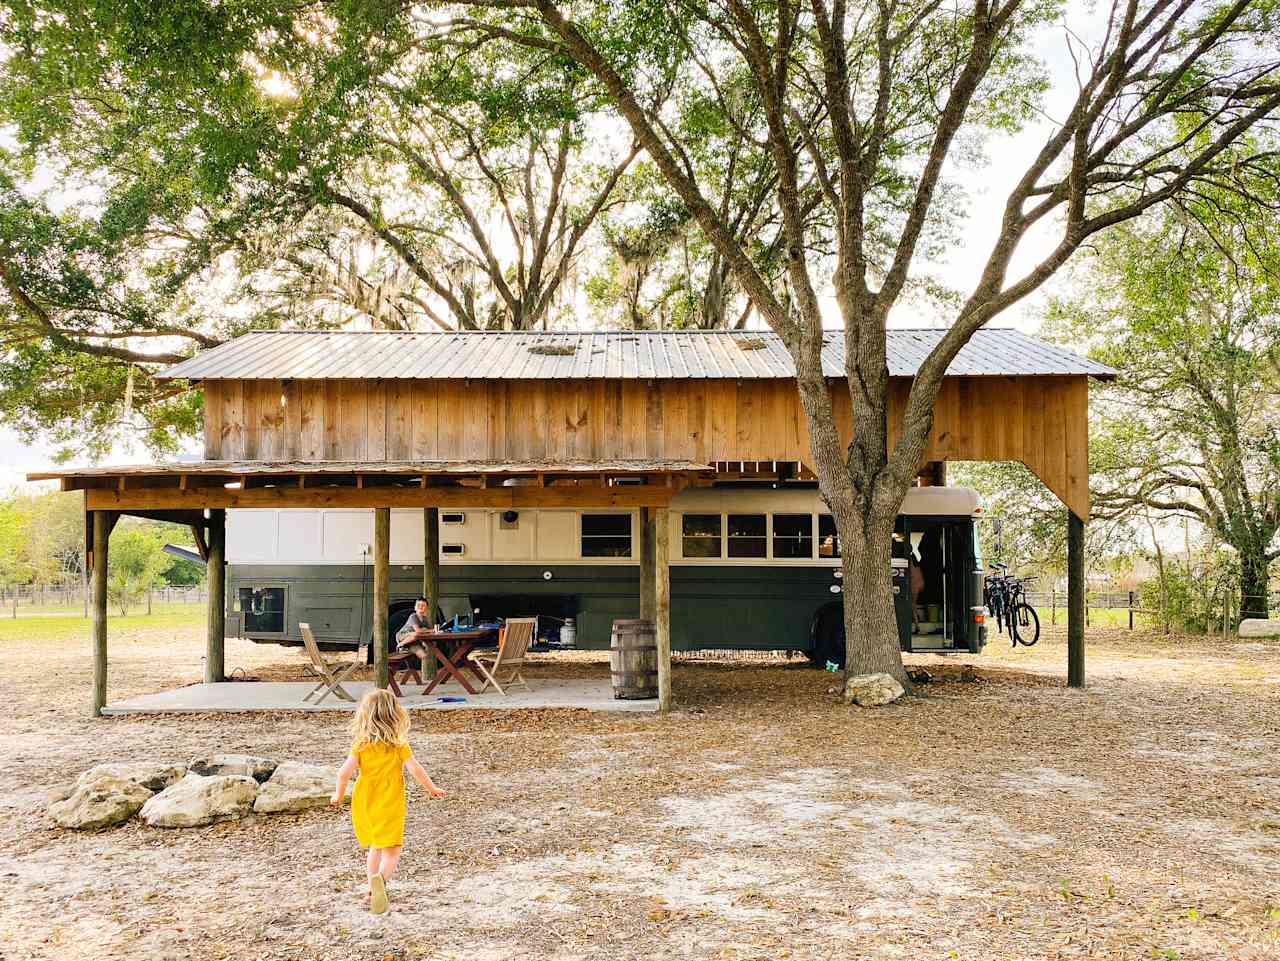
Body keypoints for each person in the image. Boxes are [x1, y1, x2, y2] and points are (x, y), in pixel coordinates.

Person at [331, 689, 446, 914]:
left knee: (375, 846)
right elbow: (415, 769)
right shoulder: (398, 744)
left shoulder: (360, 745)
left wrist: (338, 794)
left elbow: (343, 773)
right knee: (392, 849)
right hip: (389, 799)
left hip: (364, 798)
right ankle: (380, 882)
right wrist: (431, 788)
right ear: (395, 715)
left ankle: (371, 888)